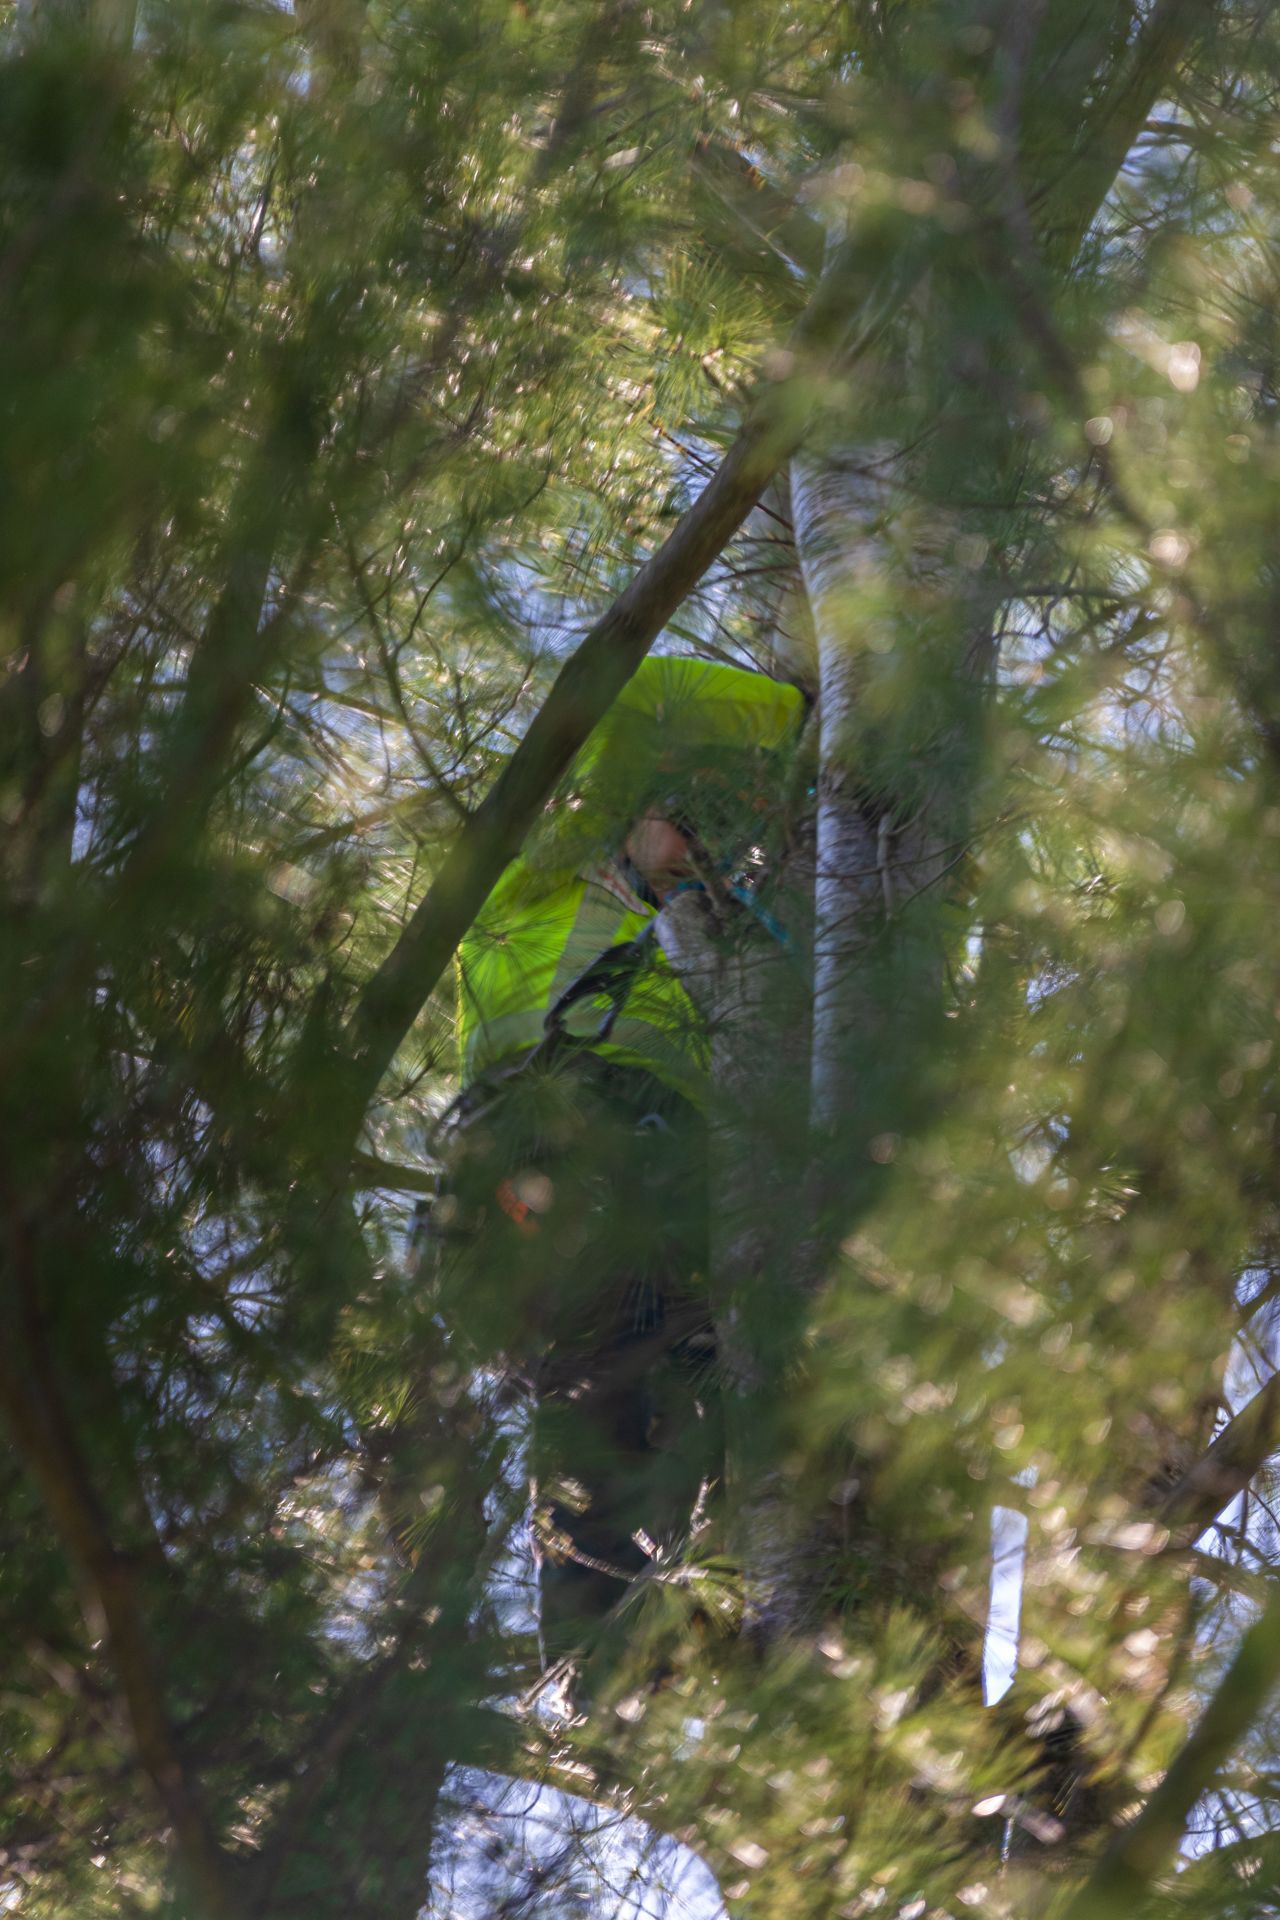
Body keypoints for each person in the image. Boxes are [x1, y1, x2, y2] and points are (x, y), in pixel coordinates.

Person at [431, 654, 805, 1673]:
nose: (696, 849)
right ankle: (597, 1671)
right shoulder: (533, 883)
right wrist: (805, 722)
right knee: (592, 1411)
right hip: (552, 1144)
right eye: (681, 820)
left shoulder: (696, 946)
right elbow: (641, 694)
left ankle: (676, 1662)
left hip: (653, 1196)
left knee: (682, 1415)